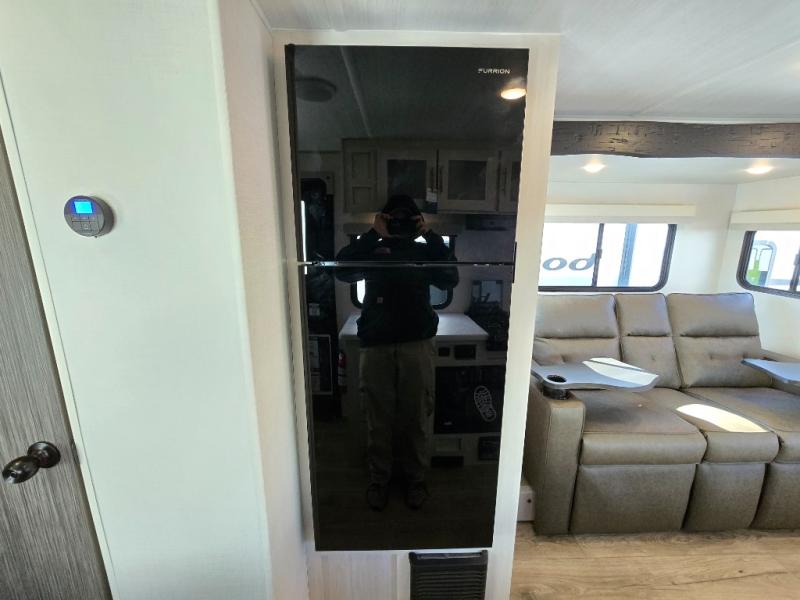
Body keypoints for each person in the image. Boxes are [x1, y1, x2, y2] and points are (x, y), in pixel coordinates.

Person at [335, 195, 458, 510]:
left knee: (416, 417)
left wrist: (430, 235)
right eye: (395, 219)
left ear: (417, 222)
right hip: (376, 344)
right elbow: (342, 271)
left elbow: (450, 278)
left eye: (407, 219)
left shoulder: (424, 251)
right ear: (384, 220)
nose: (401, 224)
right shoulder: (372, 250)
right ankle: (380, 480)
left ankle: (415, 480)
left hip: (417, 343)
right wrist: (372, 234)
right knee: (378, 418)